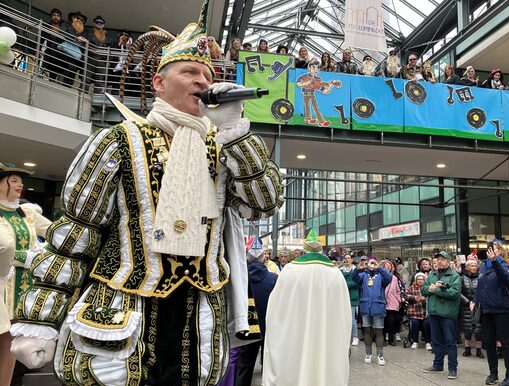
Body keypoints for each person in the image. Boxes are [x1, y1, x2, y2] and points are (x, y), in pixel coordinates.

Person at [9, 2, 284, 384]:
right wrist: (39, 318)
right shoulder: (118, 141)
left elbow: (265, 203)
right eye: (190, 72)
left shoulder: (225, 149)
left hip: (199, 318)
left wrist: (236, 131)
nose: (203, 82)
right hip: (123, 311)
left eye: (208, 76)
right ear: (159, 82)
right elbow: (75, 235)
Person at [263, 230, 351, 386]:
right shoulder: (335, 273)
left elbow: (276, 308)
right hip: (326, 333)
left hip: (297, 333)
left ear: (305, 249)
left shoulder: (291, 271)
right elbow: (344, 312)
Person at [0, 164, 51, 386]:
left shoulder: (28, 213)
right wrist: (24, 257)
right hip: (2, 286)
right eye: (14, 180)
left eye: (21, 181)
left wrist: (41, 254)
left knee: (13, 347)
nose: (20, 185)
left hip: (24, 290)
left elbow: (59, 234)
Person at [473, 240, 509, 386]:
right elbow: (480, 287)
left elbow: (505, 279)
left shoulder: (505, 265)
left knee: (505, 343)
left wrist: (495, 262)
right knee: (489, 343)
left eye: (495, 248)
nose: (491, 250)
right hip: (487, 310)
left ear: (500, 251)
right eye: (490, 248)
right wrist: (475, 301)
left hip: (502, 310)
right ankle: (493, 374)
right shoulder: (484, 267)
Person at [235, 238, 277, 386]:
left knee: (244, 367)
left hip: (247, 328)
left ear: (248, 258)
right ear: (263, 259)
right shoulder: (274, 279)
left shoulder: (240, 279)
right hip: (269, 330)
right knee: (269, 369)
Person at [421, 251, 461, 380]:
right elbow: (423, 290)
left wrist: (435, 290)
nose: (440, 261)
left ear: (449, 261)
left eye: (443, 259)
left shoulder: (454, 275)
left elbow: (454, 293)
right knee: (436, 341)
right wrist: (431, 288)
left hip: (448, 314)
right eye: (438, 259)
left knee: (450, 342)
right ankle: (437, 365)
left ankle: (452, 369)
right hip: (434, 312)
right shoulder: (432, 274)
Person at [352, 256, 392, 366]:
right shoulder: (363, 275)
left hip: (378, 307)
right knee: (367, 331)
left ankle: (380, 355)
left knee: (379, 331)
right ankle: (368, 354)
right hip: (365, 307)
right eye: (370, 263)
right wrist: (357, 269)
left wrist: (379, 268)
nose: (372, 265)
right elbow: (354, 277)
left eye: (374, 263)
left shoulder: (381, 276)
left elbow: (389, 278)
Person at [460, 257, 484, 358]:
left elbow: (483, 291)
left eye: (475, 266)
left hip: (478, 306)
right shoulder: (462, 278)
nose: (474, 267)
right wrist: (467, 302)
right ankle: (467, 349)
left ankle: (479, 350)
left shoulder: (481, 277)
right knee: (467, 329)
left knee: (478, 329)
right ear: (467, 267)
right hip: (466, 306)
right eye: (471, 266)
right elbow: (459, 292)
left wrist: (476, 302)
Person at [86, 15, 113, 93]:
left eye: (101, 22)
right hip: (90, 59)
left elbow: (110, 51)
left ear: (103, 25)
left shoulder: (108, 37)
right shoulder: (89, 33)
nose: (99, 23)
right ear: (94, 23)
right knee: (86, 79)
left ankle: (97, 96)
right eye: (97, 22)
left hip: (102, 61)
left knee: (99, 81)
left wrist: (107, 62)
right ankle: (83, 92)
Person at [405, 273, 431, 350]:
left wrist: (424, 299)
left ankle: (428, 342)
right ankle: (415, 342)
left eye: (421, 279)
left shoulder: (427, 288)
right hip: (414, 312)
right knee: (414, 324)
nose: (420, 281)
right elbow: (405, 295)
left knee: (427, 324)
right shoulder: (411, 288)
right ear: (416, 280)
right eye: (418, 279)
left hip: (425, 313)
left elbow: (431, 296)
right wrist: (415, 298)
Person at [383, 259, 404, 346]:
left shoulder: (395, 278)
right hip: (382, 301)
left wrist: (398, 300)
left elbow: (398, 290)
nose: (388, 268)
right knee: (383, 321)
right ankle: (383, 339)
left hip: (392, 302)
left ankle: (391, 339)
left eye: (389, 266)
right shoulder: (380, 276)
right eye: (386, 266)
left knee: (391, 321)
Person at [341, 254, 360, 346]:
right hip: (342, 297)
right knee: (343, 319)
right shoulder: (340, 270)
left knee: (352, 319)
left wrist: (344, 284)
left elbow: (356, 282)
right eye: (345, 258)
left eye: (349, 258)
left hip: (352, 297)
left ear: (351, 260)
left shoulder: (356, 270)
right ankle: (345, 336)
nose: (347, 260)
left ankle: (355, 337)